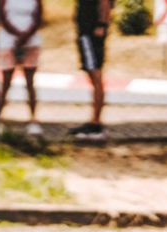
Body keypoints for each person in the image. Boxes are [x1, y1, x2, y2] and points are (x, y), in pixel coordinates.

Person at [0, 0, 43, 138]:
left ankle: (33, 120)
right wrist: (17, 35)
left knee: (30, 82)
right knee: (6, 82)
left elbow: (39, 17)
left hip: (31, 41)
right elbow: (2, 17)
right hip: (8, 41)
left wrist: (26, 36)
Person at [69, 0, 111, 140]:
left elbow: (105, 3)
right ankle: (94, 120)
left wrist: (101, 25)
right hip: (85, 30)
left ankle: (96, 123)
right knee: (92, 73)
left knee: (95, 74)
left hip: (91, 32)